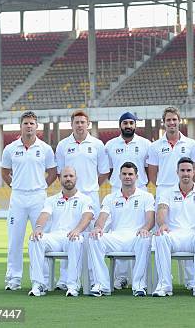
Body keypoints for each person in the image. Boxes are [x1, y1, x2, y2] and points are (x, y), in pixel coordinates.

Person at [1, 111, 57, 291]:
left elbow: (53, 172)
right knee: (14, 240)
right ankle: (13, 279)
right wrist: (16, 185)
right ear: (21, 126)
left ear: (37, 126)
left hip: (38, 197)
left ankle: (44, 279)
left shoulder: (45, 148)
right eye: (26, 123)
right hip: (17, 197)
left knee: (41, 238)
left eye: (32, 123)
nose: (29, 126)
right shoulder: (10, 148)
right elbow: (4, 172)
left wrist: (41, 186)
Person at [54, 110, 110, 290]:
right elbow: (60, 173)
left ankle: (94, 278)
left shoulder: (97, 144)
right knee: (69, 233)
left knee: (92, 237)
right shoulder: (63, 145)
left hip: (91, 195)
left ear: (88, 124)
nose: (79, 125)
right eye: (76, 122)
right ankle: (65, 278)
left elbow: (104, 171)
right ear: (71, 124)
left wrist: (91, 187)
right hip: (70, 195)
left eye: (82, 122)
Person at [87, 162, 155, 297]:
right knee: (94, 238)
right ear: (119, 176)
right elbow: (102, 218)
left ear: (137, 176)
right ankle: (101, 284)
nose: (127, 177)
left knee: (145, 238)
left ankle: (139, 285)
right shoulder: (110, 198)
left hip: (136, 237)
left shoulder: (146, 196)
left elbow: (150, 219)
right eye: (124, 174)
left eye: (130, 174)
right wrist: (98, 228)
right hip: (116, 237)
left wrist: (145, 228)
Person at [28, 167, 94, 297]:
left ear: (76, 178)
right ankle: (38, 284)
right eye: (65, 176)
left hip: (73, 236)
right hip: (56, 237)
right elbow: (44, 215)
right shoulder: (51, 200)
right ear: (59, 179)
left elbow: (87, 216)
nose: (68, 179)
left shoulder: (85, 199)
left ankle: (73, 286)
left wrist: (77, 230)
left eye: (71, 176)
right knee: (35, 239)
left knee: (75, 239)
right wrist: (38, 228)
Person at [104, 112, 152, 289]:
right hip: (117, 192)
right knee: (119, 233)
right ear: (120, 125)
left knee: (141, 234)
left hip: (140, 192)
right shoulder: (110, 145)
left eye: (131, 122)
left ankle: (141, 278)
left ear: (135, 125)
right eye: (125, 123)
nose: (128, 125)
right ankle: (121, 277)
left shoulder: (146, 144)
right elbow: (108, 169)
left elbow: (150, 168)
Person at [153, 157, 195, 297]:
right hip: (174, 236)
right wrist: (162, 225)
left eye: (188, 170)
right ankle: (164, 285)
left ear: (194, 172)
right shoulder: (166, 193)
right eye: (182, 170)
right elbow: (161, 210)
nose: (185, 174)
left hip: (193, 235)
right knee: (160, 237)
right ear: (177, 172)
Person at [148, 107, 195, 200]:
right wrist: (163, 185)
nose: (171, 122)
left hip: (185, 191)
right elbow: (152, 174)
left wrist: (186, 186)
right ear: (164, 122)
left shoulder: (191, 144)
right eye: (168, 120)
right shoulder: (154, 146)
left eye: (174, 119)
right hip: (163, 191)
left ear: (179, 121)